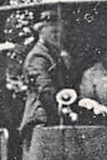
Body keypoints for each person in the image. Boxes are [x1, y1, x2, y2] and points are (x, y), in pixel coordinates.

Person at [19, 11, 73, 145]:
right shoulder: (38, 57)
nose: (58, 36)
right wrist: (65, 112)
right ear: (41, 32)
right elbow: (45, 90)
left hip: (53, 118)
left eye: (60, 32)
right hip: (41, 119)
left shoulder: (55, 55)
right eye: (53, 32)